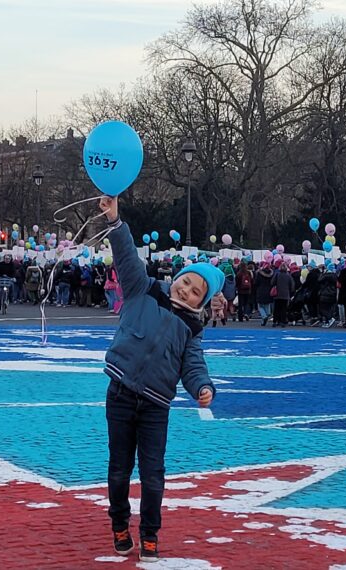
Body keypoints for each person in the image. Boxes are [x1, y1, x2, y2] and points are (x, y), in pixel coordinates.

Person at [100, 195, 223, 563]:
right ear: (177, 278)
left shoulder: (192, 329)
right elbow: (125, 257)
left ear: (202, 302)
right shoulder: (144, 290)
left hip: (155, 405)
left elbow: (193, 365)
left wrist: (203, 387)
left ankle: (150, 534)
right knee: (119, 468)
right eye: (186, 282)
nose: (186, 291)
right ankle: (119, 523)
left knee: (153, 474)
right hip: (120, 392)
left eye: (195, 292)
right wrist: (116, 221)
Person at [271, 262, 295, 327]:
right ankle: (283, 322)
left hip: (277, 294)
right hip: (285, 294)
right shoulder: (288, 275)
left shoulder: (277, 274)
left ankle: (275, 321)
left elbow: (272, 282)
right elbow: (292, 285)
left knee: (276, 309)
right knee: (283, 309)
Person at [255, 261, 274, 326]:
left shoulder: (259, 274)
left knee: (260, 306)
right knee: (267, 304)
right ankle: (267, 315)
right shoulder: (272, 274)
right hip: (269, 291)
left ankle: (264, 316)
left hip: (260, 290)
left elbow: (256, 283)